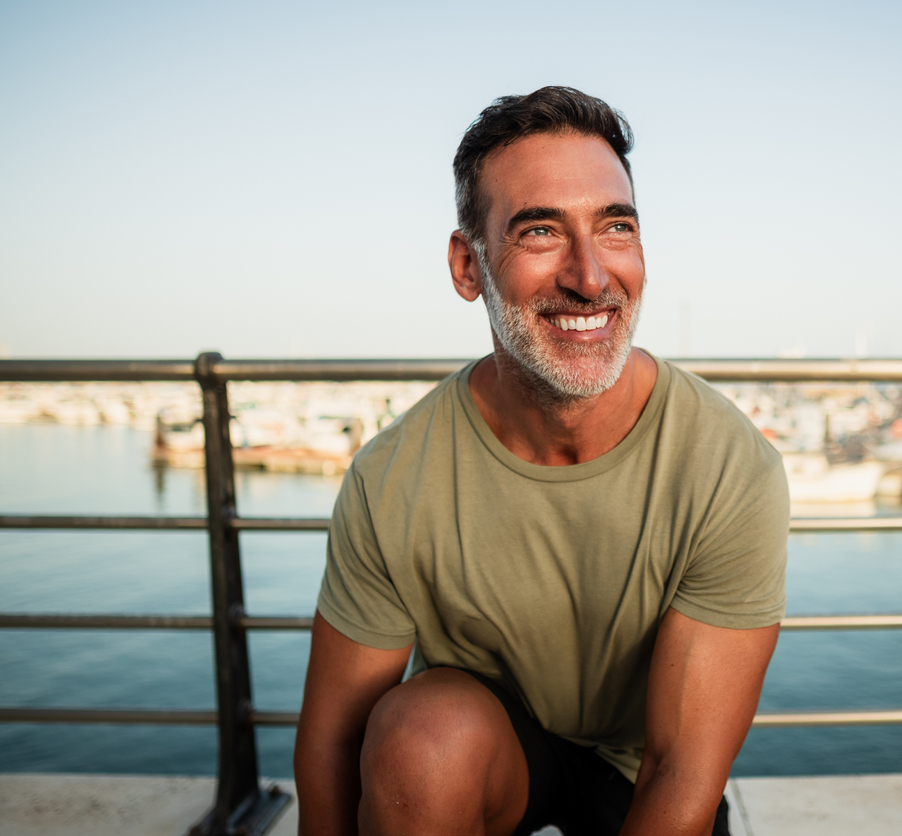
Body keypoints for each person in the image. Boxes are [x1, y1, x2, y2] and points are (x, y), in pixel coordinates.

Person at [294, 86, 789, 836]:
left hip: (641, 768)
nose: (590, 277)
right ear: (469, 267)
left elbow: (681, 771)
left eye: (615, 226)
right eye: (540, 232)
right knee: (417, 743)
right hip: (484, 756)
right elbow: (333, 744)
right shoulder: (393, 477)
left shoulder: (726, 466)